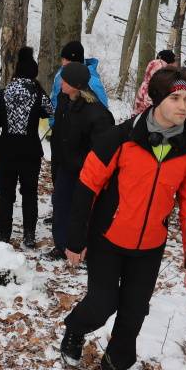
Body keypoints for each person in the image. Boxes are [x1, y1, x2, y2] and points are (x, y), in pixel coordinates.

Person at [60, 65, 186, 370]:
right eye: (175, 98)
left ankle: (114, 369)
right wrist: (76, 237)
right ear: (156, 99)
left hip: (150, 245)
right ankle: (75, 328)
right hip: (108, 238)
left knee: (134, 311)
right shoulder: (120, 138)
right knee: (103, 303)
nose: (184, 106)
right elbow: (87, 186)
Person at [47, 60, 115, 259]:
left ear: (76, 85)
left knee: (83, 210)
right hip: (65, 166)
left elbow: (103, 149)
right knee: (60, 204)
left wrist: (86, 167)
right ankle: (61, 246)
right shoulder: (63, 100)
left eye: (65, 80)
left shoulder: (97, 113)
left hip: (86, 171)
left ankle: (84, 249)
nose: (61, 84)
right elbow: (59, 133)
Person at [0, 47, 52, 248]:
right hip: (30, 151)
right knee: (30, 193)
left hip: (6, 150)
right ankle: (29, 235)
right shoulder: (38, 94)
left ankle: (4, 234)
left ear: (16, 72)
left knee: (6, 194)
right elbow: (49, 111)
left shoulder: (2, 94)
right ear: (33, 73)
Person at [49, 41, 109, 121]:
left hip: (81, 127)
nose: (63, 63)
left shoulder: (91, 80)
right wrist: (53, 121)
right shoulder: (61, 73)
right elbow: (54, 99)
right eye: (63, 59)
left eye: (67, 60)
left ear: (76, 62)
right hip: (60, 123)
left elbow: (103, 109)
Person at [132, 50, 176, 115]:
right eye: (174, 61)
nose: (176, 64)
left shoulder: (150, 83)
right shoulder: (153, 88)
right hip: (144, 123)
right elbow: (153, 113)